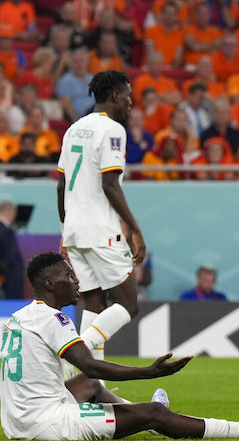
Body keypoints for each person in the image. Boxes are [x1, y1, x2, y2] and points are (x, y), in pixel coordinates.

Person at [0, 252, 239, 441]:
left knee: (91, 385)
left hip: (17, 420)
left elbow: (81, 372)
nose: (76, 281)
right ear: (50, 284)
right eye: (69, 276)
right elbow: (89, 363)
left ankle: (139, 417)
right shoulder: (54, 319)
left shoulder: (22, 315)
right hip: (47, 423)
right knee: (153, 413)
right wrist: (149, 372)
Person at [57, 70, 145, 365]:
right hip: (100, 230)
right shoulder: (113, 130)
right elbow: (110, 184)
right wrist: (135, 228)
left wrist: (63, 230)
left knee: (94, 302)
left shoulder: (73, 129)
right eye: (129, 96)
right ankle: (75, 360)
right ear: (115, 95)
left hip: (75, 230)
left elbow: (61, 185)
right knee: (128, 305)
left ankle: (88, 386)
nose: (131, 103)